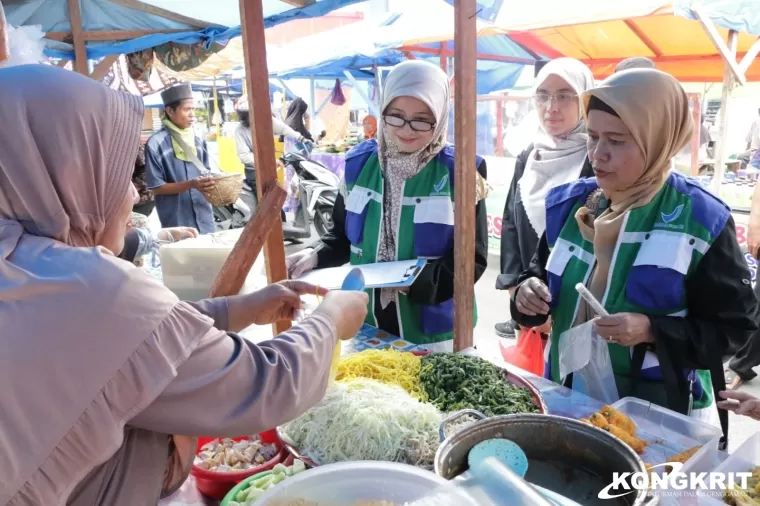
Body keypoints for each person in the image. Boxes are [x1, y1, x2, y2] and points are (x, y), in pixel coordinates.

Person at [0, 64, 369, 506]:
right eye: (121, 173)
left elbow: (127, 348)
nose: (135, 196)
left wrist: (237, 309)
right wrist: (332, 319)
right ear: (67, 172)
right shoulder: (87, 287)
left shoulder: (25, 267)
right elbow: (265, 384)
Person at [511, 69, 756, 441]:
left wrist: (651, 330)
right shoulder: (571, 204)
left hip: (655, 414)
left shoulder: (700, 220)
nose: (598, 154)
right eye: (592, 137)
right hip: (566, 395)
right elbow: (537, 277)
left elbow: (734, 330)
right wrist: (525, 293)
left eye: (618, 140)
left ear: (657, 140)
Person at [285, 60, 489, 352]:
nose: (406, 129)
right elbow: (341, 237)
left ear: (441, 116)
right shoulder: (359, 166)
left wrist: (414, 283)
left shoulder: (462, 173)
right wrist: (312, 256)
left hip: (435, 332)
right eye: (395, 116)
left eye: (421, 119)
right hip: (367, 320)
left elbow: (472, 260)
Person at [495, 58, 596, 340]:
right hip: (531, 303)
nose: (551, 107)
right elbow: (510, 224)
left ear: (585, 100)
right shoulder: (529, 157)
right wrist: (517, 287)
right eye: (543, 96)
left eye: (565, 95)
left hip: (579, 309)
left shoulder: (597, 159)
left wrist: (560, 311)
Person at [145, 83, 216, 235]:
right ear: (170, 111)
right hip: (177, 221)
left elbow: (206, 172)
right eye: (186, 109)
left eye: (193, 109)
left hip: (204, 216)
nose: (192, 114)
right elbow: (156, 188)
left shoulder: (198, 138)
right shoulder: (155, 144)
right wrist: (191, 184)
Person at [234, 94, 305, 212]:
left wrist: (301, 138)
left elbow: (283, 129)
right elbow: (244, 156)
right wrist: (268, 161)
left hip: (270, 170)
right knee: (265, 207)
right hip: (254, 173)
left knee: (276, 203)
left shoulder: (266, 121)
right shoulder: (240, 131)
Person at [132, 142, 156, 216]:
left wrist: (129, 192)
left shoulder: (133, 145)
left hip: (141, 200)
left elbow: (148, 171)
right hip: (123, 200)